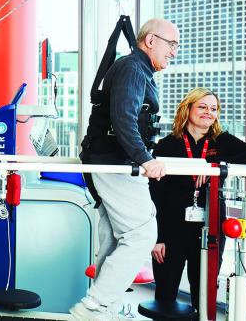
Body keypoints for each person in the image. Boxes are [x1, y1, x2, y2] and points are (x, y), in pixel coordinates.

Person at [72, 18, 179, 321]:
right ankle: (94, 305)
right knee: (143, 234)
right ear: (150, 41)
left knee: (116, 239)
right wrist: (145, 159)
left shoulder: (137, 70)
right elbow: (123, 118)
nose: (174, 52)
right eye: (171, 44)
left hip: (111, 161)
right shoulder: (133, 68)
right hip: (115, 163)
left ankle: (103, 309)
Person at [149, 88, 246, 312]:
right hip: (171, 229)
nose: (208, 113)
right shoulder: (168, 144)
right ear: (187, 108)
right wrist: (157, 237)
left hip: (210, 228)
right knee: (165, 291)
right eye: (202, 107)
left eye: (213, 109)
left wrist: (215, 164)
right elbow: (155, 195)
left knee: (204, 292)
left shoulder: (222, 142)